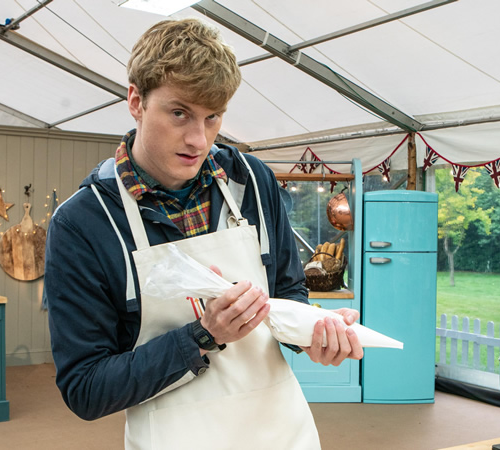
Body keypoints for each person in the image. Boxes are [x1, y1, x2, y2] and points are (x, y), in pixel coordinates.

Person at [44, 18, 362, 449]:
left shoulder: (252, 181)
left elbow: (287, 295)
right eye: (180, 114)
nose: (198, 139)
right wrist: (204, 334)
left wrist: (315, 334)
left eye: (213, 118)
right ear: (136, 101)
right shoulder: (83, 223)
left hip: (280, 432)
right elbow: (87, 389)